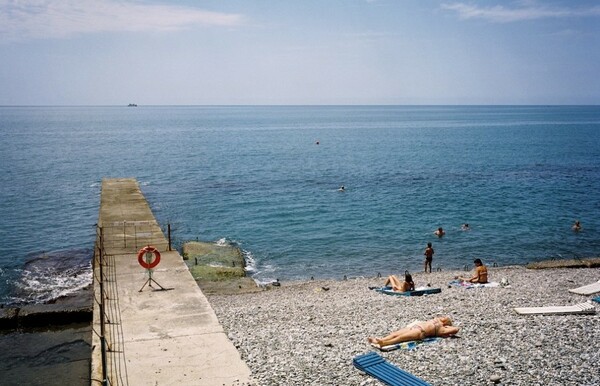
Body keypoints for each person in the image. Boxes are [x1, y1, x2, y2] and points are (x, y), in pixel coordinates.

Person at [368, 316, 459, 348]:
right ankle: (379, 340)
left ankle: (384, 343)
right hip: (414, 327)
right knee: (394, 333)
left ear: (446, 323)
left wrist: (447, 326)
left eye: (445, 318)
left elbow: (456, 329)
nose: (442, 317)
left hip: (420, 332)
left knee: (400, 338)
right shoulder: (436, 320)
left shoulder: (442, 329)